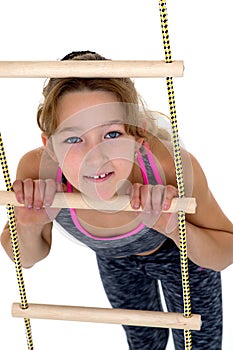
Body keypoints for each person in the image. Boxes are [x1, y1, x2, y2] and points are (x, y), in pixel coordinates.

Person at [1, 51, 233, 350]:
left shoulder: (168, 166)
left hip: (180, 258)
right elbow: (27, 259)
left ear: (136, 137)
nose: (94, 157)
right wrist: (28, 224)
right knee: (143, 343)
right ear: (50, 147)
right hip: (116, 263)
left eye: (111, 134)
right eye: (73, 139)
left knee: (198, 345)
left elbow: (226, 252)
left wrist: (174, 228)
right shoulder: (37, 171)